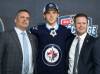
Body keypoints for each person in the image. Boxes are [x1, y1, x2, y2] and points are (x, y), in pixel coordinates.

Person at [30, 2, 72, 74]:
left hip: (60, 71)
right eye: (48, 13)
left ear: (58, 14)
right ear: (44, 15)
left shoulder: (66, 31)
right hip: (42, 71)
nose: (51, 16)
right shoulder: (36, 30)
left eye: (54, 13)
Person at [0, 9, 37, 74]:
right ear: (15, 20)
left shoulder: (33, 38)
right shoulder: (5, 36)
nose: (25, 20)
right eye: (22, 17)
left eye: (27, 18)